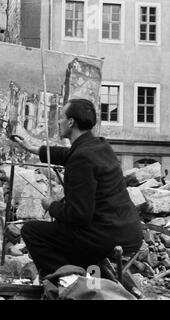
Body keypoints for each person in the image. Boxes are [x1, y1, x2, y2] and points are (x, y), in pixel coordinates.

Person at [12, 99, 143, 278]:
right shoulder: (99, 146)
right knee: (69, 233)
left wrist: (51, 206)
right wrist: (32, 148)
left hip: (107, 237)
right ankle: (93, 284)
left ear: (71, 122)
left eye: (61, 118)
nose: (58, 122)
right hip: (128, 232)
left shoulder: (81, 159)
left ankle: (69, 283)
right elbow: (68, 154)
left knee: (32, 231)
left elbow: (79, 215)